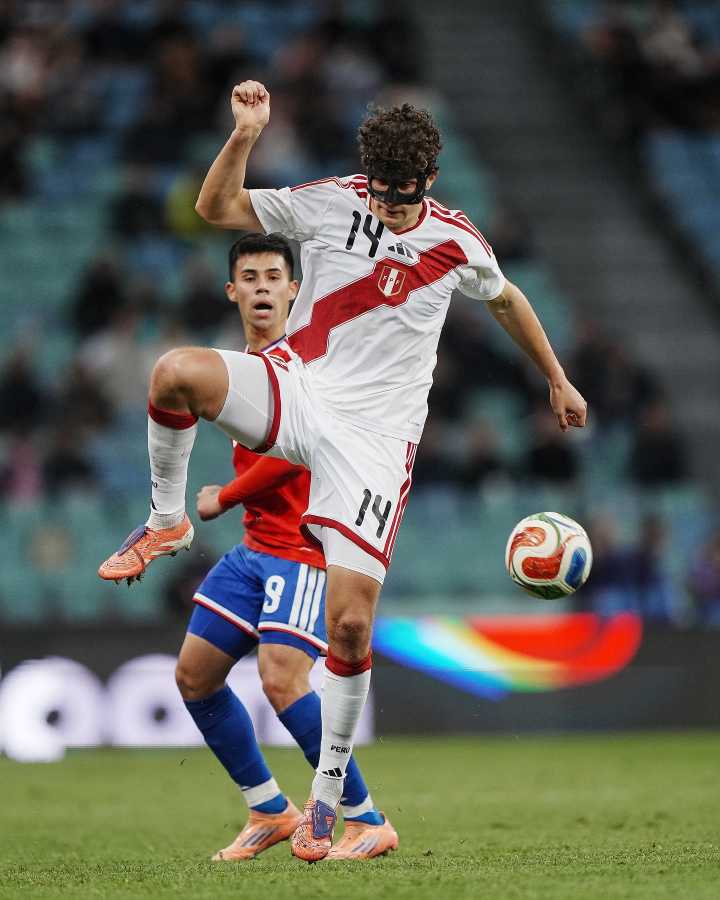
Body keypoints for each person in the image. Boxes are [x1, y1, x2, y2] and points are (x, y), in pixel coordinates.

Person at [99, 81, 587, 861]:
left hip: (373, 441)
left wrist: (556, 377)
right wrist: (245, 134)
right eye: (384, 191)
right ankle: (165, 520)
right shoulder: (330, 202)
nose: (392, 206)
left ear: (430, 178)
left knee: (351, 627)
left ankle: (330, 793)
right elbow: (217, 211)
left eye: (407, 194)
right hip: (301, 389)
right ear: (370, 175)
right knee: (174, 374)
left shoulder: (458, 241)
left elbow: (507, 302)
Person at [179, 233, 397, 861]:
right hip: (253, 553)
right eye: (249, 277)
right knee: (195, 677)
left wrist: (228, 495)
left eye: (274, 276)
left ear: (294, 289)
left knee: (283, 681)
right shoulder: (241, 367)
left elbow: (300, 448)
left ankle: (368, 819)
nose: (262, 287)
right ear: (233, 291)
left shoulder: (312, 361)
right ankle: (270, 809)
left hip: (302, 550)